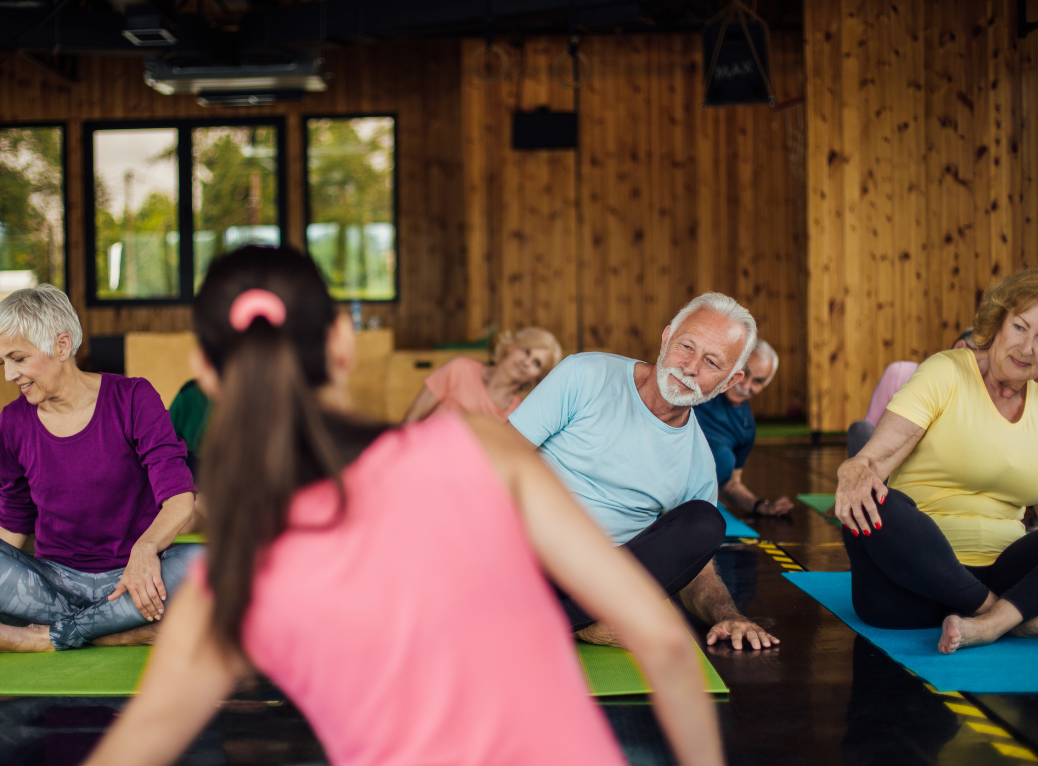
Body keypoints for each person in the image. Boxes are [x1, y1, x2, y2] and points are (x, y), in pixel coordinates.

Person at [81, 247, 725, 766]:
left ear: (207, 373)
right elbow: (667, 649)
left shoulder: (232, 588)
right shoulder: (483, 447)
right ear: (343, 341)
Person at [0, 285, 202, 654]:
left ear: (61, 346)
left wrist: (145, 550)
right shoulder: (12, 423)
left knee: (207, 563)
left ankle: (51, 634)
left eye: (18, 359)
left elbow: (178, 499)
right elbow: (13, 521)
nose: (9, 374)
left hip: (133, 578)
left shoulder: (134, 398)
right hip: (52, 584)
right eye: (2, 362)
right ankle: (119, 629)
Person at [508, 293, 780, 652]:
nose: (690, 367)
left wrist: (728, 614)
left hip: (601, 579)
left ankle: (553, 620)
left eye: (712, 362)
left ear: (730, 382)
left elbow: (692, 568)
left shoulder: (698, 462)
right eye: (687, 346)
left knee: (706, 522)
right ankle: (577, 619)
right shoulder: (585, 374)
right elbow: (499, 458)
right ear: (666, 337)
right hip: (527, 554)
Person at [835, 269, 1038, 654]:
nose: (1026, 348)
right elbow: (875, 458)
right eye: (1020, 327)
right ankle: (1002, 620)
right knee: (879, 502)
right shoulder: (947, 371)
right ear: (998, 321)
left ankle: (996, 619)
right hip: (909, 587)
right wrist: (854, 469)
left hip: (1007, 576)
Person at [697, 339, 794, 516]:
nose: (746, 386)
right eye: (743, 372)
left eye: (757, 382)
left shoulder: (746, 427)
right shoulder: (694, 389)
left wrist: (760, 506)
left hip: (684, 511)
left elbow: (730, 485)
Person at [846, 328, 975, 458]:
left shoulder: (974, 396)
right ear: (960, 347)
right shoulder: (899, 373)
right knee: (859, 429)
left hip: (931, 468)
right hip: (888, 463)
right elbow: (869, 430)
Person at [402, 327, 562, 423]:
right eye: (526, 351)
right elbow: (411, 419)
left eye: (537, 363)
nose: (527, 362)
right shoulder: (459, 369)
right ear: (512, 346)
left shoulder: (516, 415)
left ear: (537, 377)